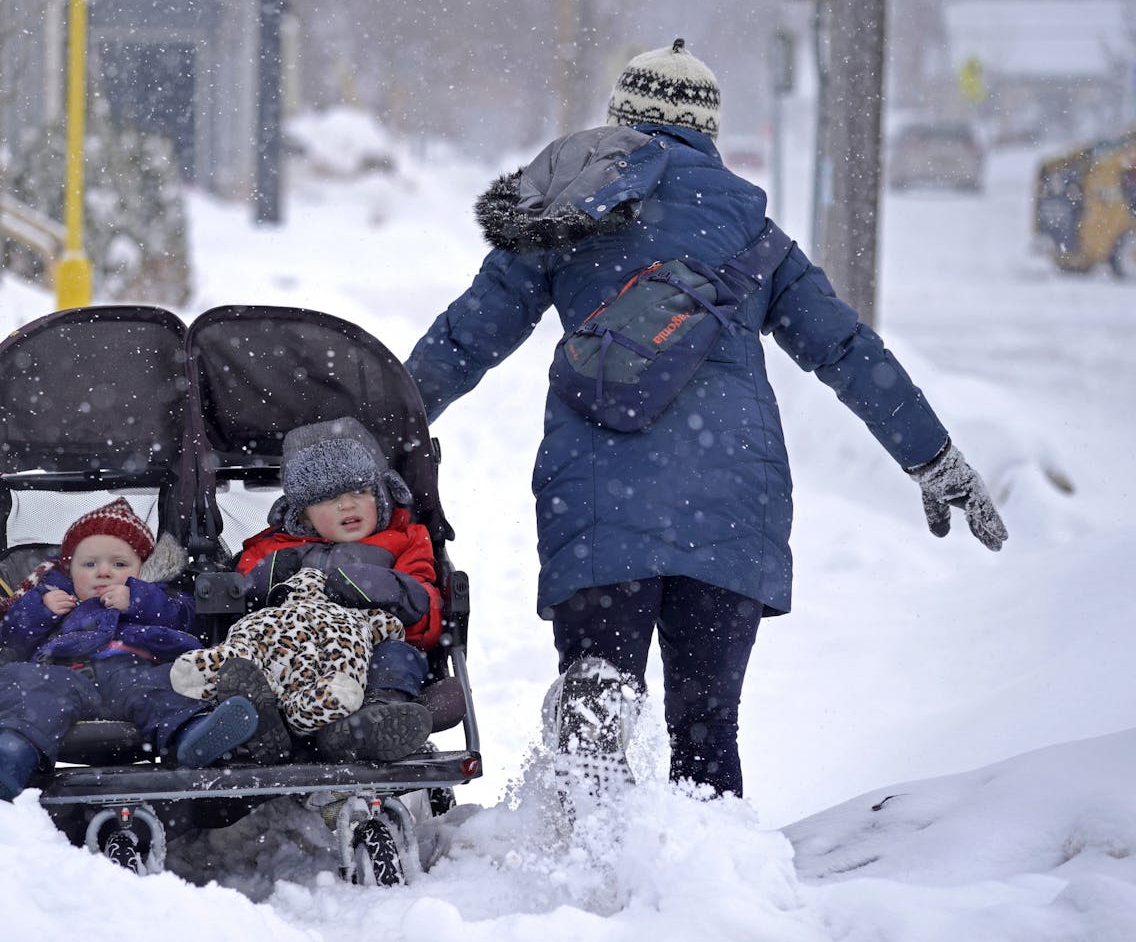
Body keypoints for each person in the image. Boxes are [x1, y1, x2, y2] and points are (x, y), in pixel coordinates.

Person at [403, 39, 1008, 803]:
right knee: (707, 727)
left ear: (621, 120)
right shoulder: (757, 237)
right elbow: (848, 351)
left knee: (602, 687)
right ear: (707, 133)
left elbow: (467, 336)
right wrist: (933, 455)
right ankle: (709, 888)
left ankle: (588, 855)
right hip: (731, 499)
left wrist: (381, 428)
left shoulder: (569, 210)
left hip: (599, 495)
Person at [0, 498, 264, 800]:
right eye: (89, 564)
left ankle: (195, 736)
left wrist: (139, 600)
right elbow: (7, 637)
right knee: (20, 682)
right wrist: (41, 609)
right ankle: (9, 759)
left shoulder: (157, 596)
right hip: (64, 677)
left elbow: (189, 621)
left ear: (142, 569)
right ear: (69, 572)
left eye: (119, 564)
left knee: (175, 683)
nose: (103, 571)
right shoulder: (53, 598)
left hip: (139, 672)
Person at [171, 417, 442, 762]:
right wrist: (264, 580)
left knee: (400, 655)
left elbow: (430, 615)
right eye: (329, 498)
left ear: (382, 494)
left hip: (362, 655)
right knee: (248, 656)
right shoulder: (273, 547)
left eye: (360, 491)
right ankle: (261, 719)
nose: (349, 504)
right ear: (305, 514)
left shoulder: (404, 540)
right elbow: (241, 603)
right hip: (291, 657)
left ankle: (374, 717)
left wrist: (389, 588)